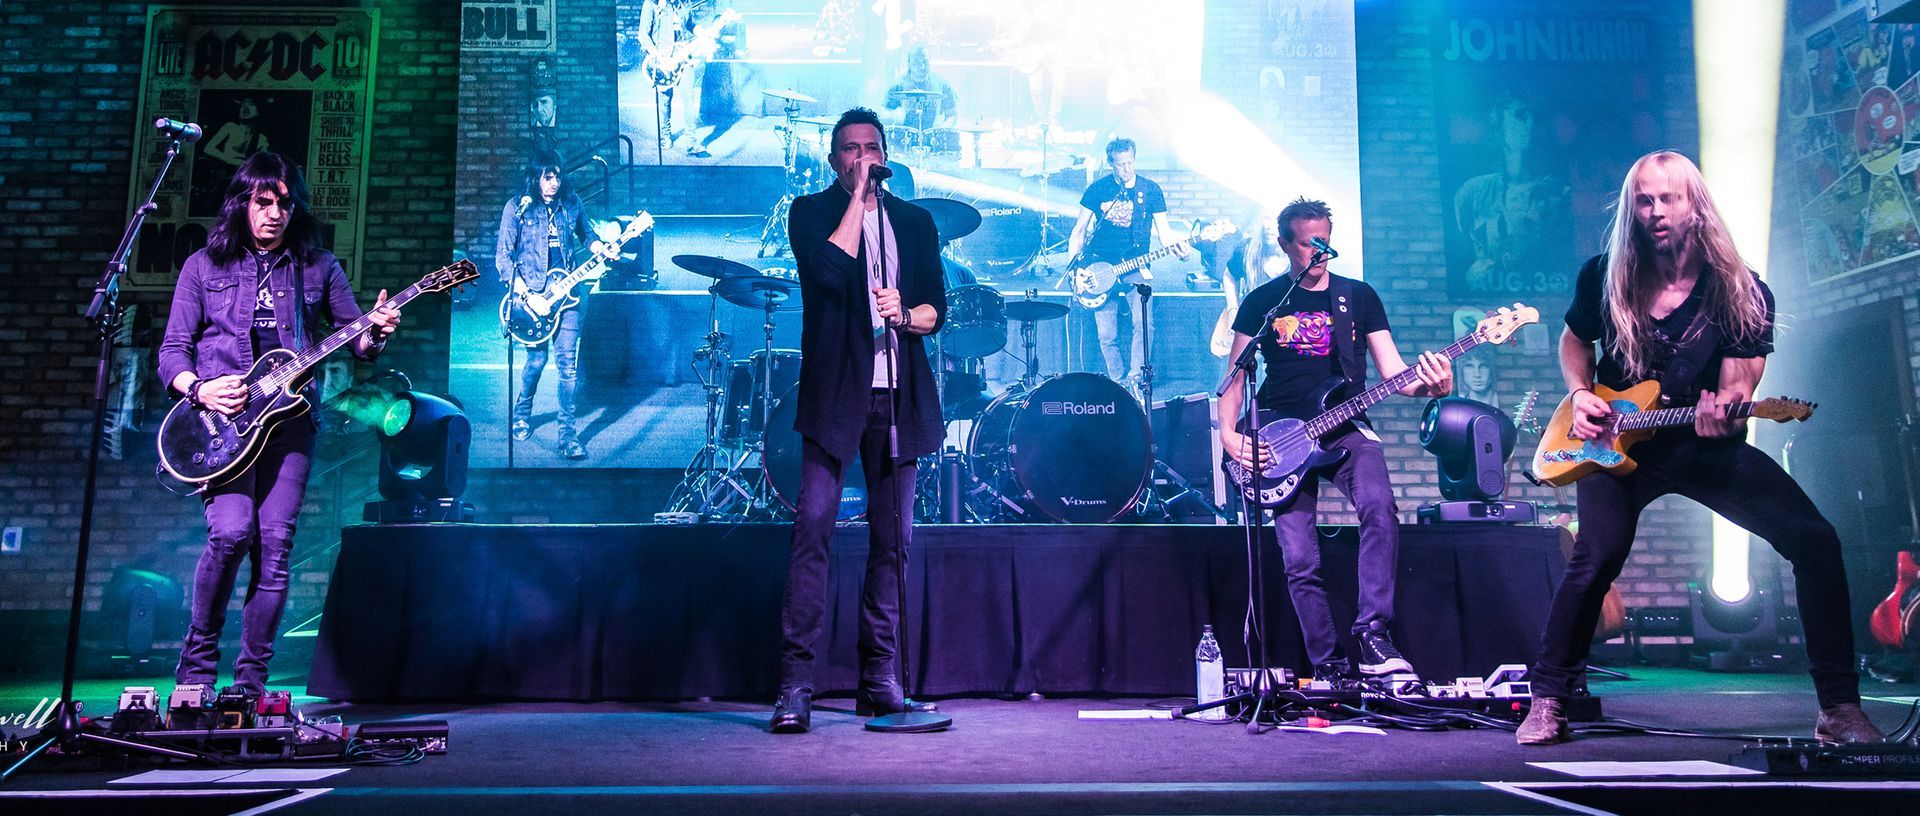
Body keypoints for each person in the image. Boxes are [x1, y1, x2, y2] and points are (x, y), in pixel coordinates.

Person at [1517, 150, 1884, 746]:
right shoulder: (1605, 275)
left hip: (1698, 443)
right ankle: (1549, 697)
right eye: (1644, 200)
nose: (1655, 211)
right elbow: (1573, 340)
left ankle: (1839, 708)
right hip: (1615, 441)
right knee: (1596, 556)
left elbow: (1740, 389)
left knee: (1815, 541)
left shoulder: (1741, 290)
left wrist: (1728, 418)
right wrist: (1581, 393)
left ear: (1695, 205)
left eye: (1668, 198)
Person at [158, 152, 401, 695]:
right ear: (243, 202)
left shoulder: (319, 267)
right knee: (230, 534)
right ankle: (196, 672)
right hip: (220, 423)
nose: (273, 214)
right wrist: (200, 387)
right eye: (263, 202)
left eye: (284, 205)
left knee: (274, 544)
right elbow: (172, 352)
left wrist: (378, 330)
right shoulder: (203, 266)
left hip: (289, 423)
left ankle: (250, 684)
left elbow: (357, 340)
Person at [1215, 197, 1452, 685]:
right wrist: (1229, 435)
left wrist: (1432, 384)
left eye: (1326, 241)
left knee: (1379, 507)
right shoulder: (1263, 301)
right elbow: (1234, 379)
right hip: (1280, 437)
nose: (1321, 252)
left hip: (1345, 426)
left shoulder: (1358, 297)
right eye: (1309, 244)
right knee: (1299, 559)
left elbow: (1395, 375)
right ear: (1285, 245)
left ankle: (1373, 633)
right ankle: (1330, 665)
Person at [772, 108, 946, 734]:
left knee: (892, 541)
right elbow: (826, 272)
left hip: (897, 394)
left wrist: (908, 312)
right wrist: (860, 201)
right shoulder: (810, 212)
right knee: (813, 528)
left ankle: (881, 679)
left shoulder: (916, 222)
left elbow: (937, 309)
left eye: (873, 148)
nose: (863, 158)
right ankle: (795, 686)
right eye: (850, 150)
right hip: (835, 394)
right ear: (833, 159)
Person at [496, 149, 597, 460]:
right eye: (547, 177)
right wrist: (528, 296)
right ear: (535, 178)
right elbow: (504, 259)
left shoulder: (571, 203)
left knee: (568, 367)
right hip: (532, 300)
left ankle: (568, 437)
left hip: (567, 296)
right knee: (536, 362)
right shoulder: (518, 208)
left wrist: (600, 247)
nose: (554, 183)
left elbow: (588, 235)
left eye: (557, 176)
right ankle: (522, 412)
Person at [1068, 137, 1189, 389]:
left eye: (1130, 162)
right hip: (1099, 267)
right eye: (1120, 164)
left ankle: (1136, 378)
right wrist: (1074, 270)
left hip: (1135, 265)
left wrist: (1180, 250)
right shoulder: (1098, 189)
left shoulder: (1151, 190)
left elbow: (1164, 233)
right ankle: (1117, 380)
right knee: (1106, 333)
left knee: (1143, 324)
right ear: (1110, 163)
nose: (1126, 168)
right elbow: (1079, 231)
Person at [883, 45, 958, 153]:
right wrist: (893, 115)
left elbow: (952, 115)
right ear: (909, 64)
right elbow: (882, 112)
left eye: (925, 62)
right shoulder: (897, 85)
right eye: (916, 63)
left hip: (932, 144)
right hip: (902, 144)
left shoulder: (942, 84)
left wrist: (941, 130)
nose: (922, 67)